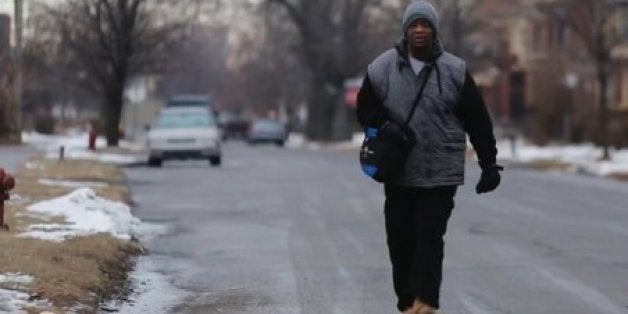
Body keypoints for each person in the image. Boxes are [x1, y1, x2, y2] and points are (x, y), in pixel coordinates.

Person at [356, 1, 502, 313]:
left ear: (434, 30)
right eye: (414, 25)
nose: (420, 30)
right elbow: (364, 109)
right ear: (405, 30)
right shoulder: (382, 68)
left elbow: (477, 119)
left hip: (440, 171)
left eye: (426, 25)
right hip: (400, 170)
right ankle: (408, 301)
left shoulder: (455, 71)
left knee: (429, 236)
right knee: (400, 239)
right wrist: (385, 125)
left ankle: (426, 300)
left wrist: (489, 163)